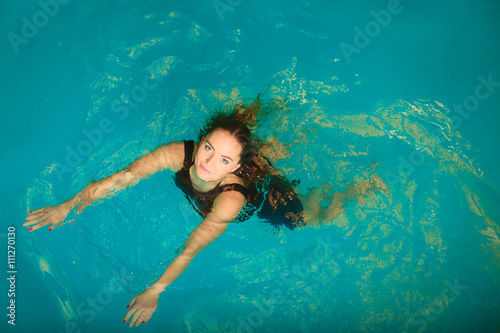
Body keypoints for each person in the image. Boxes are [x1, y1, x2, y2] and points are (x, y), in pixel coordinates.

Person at [23, 96, 388, 327]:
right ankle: (259, 130)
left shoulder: (231, 199)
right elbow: (123, 178)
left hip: (267, 197)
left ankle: (355, 189)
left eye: (224, 159)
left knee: (304, 220)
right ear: (202, 141)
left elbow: (192, 247)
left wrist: (158, 289)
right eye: (209, 148)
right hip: (243, 164)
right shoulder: (178, 153)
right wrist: (67, 207)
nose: (207, 163)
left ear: (234, 167)